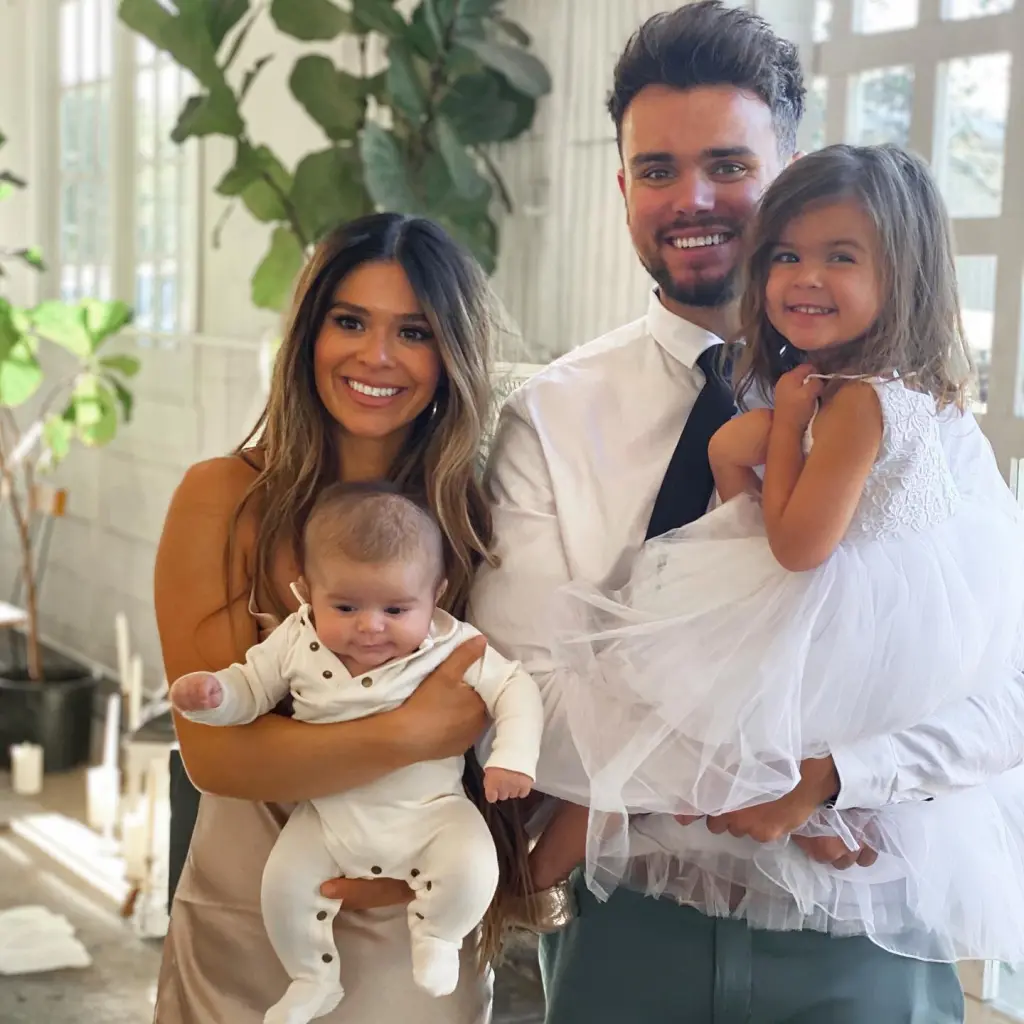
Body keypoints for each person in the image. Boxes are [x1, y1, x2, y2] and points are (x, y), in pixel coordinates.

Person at [471, 4, 1024, 1020]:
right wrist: (762, 777)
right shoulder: (551, 415)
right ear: (624, 187)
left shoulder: (922, 425)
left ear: (792, 171)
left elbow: (1007, 693)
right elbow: (528, 691)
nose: (692, 198)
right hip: (631, 931)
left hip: (864, 934)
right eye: (656, 169)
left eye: (728, 164)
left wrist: (835, 776)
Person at [153, 213, 531, 1024]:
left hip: (417, 919)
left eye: (414, 332)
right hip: (249, 912)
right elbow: (217, 756)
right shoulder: (221, 500)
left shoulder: (477, 519)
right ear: (308, 335)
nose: (376, 356)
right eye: (350, 321)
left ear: (451, 355)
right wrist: (417, 729)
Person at [170, 482, 543, 1022]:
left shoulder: (452, 644)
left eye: (396, 608)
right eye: (345, 606)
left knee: (472, 866)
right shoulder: (296, 640)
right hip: (327, 817)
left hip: (434, 813)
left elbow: (514, 686)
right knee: (283, 889)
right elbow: (251, 687)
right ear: (306, 592)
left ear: (436, 594)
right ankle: (311, 977)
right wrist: (215, 696)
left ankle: (438, 934)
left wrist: (513, 756)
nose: (370, 625)